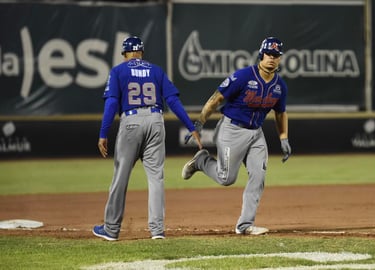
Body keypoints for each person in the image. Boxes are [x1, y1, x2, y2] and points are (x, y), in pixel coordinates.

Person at [92, 36, 202, 240]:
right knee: (156, 178)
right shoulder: (156, 70)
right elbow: (172, 101)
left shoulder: (118, 71)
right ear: (141, 52)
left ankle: (111, 229)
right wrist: (190, 126)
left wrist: (103, 133)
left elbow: (112, 104)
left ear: (125, 54)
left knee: (120, 178)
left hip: (131, 121)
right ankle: (157, 231)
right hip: (156, 121)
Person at [182, 36, 291, 235]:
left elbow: (280, 112)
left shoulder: (279, 86)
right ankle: (202, 161)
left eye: (276, 55)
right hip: (230, 131)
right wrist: (199, 122)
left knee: (258, 175)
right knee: (226, 178)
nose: (272, 59)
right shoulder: (243, 76)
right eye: (269, 54)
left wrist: (283, 137)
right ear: (261, 54)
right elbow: (216, 99)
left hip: (256, 134)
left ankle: (245, 225)